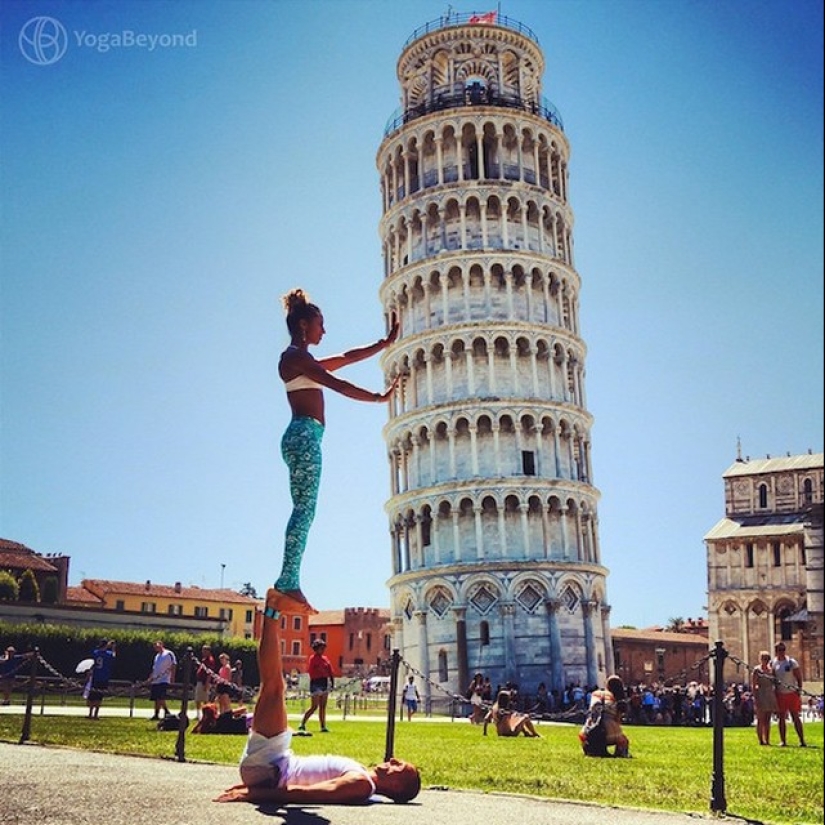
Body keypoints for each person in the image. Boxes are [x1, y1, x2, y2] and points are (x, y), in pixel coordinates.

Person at [215, 589, 421, 806]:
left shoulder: (361, 784)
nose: (394, 760)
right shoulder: (363, 776)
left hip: (270, 767)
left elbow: (306, 794)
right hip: (272, 765)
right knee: (274, 686)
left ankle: (273, 608)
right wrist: (252, 787)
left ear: (397, 786)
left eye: (400, 767)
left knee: (274, 687)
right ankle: (274, 608)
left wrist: (254, 794)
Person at [273, 288, 399, 614]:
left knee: (304, 510)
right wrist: (378, 398)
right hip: (304, 436)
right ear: (303, 325)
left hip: (303, 436)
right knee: (304, 510)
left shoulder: (301, 360)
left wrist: (383, 343)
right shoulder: (294, 358)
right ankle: (288, 581)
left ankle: (290, 579)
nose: (323, 331)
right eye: (320, 324)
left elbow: (346, 358)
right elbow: (338, 384)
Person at [579, 674, 630, 757]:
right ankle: (621, 754)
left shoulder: (595, 693)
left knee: (585, 734)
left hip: (587, 732)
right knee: (624, 740)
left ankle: (589, 750)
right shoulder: (617, 699)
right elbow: (617, 720)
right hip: (607, 733)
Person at [771, 642, 806, 747]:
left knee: (795, 717)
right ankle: (783, 741)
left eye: (783, 649)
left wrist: (799, 689)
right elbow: (773, 678)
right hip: (780, 694)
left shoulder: (791, 662)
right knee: (781, 718)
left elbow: (799, 677)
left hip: (792, 693)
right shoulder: (774, 663)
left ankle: (802, 740)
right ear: (776, 651)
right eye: (779, 650)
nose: (781, 652)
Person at [298, 638, 335, 734]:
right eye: (321, 648)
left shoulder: (325, 659)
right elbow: (311, 671)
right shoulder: (313, 659)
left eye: (323, 648)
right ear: (316, 648)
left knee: (323, 706)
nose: (323, 650)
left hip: (324, 682)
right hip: (316, 683)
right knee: (314, 706)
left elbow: (330, 671)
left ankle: (323, 726)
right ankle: (302, 723)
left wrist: (332, 682)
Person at [752, 650, 779, 746]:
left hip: (770, 694)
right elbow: (754, 685)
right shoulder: (757, 670)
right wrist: (756, 698)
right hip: (761, 694)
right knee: (760, 719)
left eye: (767, 659)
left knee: (768, 719)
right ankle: (761, 740)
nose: (766, 660)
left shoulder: (771, 670)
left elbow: (775, 683)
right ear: (760, 659)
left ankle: (767, 739)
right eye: (764, 659)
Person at [146, 639, 177, 720]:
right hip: (155, 680)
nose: (156, 648)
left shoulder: (169, 653)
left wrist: (172, 678)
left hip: (164, 679)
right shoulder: (157, 656)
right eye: (155, 647)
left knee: (160, 697)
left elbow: (173, 665)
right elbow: (154, 668)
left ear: (161, 645)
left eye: (157, 646)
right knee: (156, 698)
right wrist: (150, 678)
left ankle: (167, 712)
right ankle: (156, 714)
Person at [87, 639, 116, 720]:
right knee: (99, 697)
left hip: (95, 677)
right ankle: (96, 714)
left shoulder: (95, 652)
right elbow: (114, 656)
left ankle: (90, 713)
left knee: (92, 696)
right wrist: (113, 647)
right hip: (104, 677)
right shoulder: (108, 654)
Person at [195, 644, 216, 720]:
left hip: (204, 682)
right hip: (200, 681)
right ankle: (198, 714)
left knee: (204, 699)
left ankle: (206, 715)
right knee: (198, 699)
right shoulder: (204, 659)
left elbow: (209, 673)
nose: (202, 652)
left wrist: (207, 684)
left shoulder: (210, 660)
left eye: (204, 650)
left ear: (208, 651)